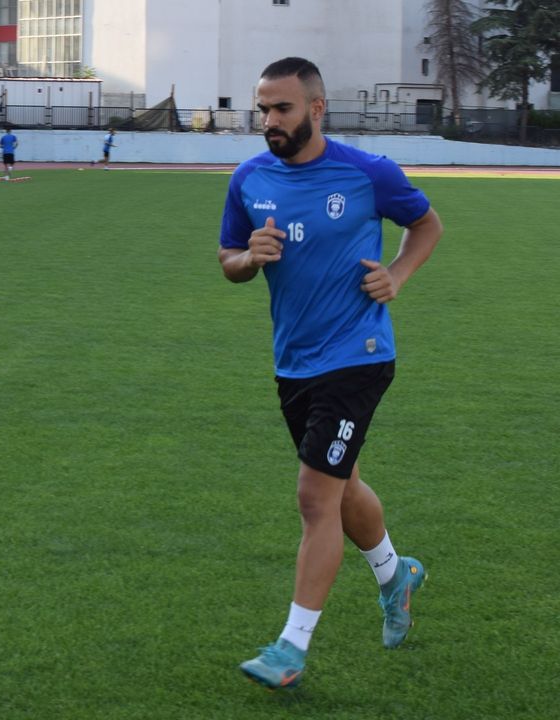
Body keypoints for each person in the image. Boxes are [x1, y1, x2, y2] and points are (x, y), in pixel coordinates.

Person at [217, 57, 443, 690]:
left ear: (316, 109)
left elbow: (426, 224)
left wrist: (395, 275)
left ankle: (291, 648)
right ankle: (397, 576)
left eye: (281, 108)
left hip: (360, 354)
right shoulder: (248, 177)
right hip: (294, 362)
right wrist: (247, 260)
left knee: (315, 497)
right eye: (262, 108)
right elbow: (227, 258)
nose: (269, 120)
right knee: (343, 488)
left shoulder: (366, 172)